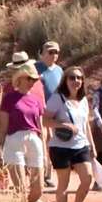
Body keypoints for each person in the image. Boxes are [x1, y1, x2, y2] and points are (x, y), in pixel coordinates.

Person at [45, 67, 98, 202]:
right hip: (60, 147)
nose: (76, 81)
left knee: (87, 178)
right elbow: (44, 119)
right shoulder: (57, 98)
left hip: (80, 145)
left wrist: (92, 145)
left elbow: (86, 125)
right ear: (65, 80)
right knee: (63, 183)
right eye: (72, 77)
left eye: (79, 78)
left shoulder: (83, 100)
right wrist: (62, 125)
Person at [0, 60, 45, 202]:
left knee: (39, 189)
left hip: (34, 139)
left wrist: (45, 151)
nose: (32, 82)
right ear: (20, 78)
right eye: (29, 78)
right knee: (21, 187)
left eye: (35, 79)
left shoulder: (37, 100)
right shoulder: (9, 99)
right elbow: (3, 126)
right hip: (14, 139)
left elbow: (41, 127)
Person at [36, 41, 64, 188]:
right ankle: (40, 174)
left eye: (56, 52)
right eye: (51, 52)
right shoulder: (35, 68)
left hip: (55, 112)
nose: (54, 55)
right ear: (42, 53)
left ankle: (48, 174)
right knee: (42, 142)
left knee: (52, 143)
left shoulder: (59, 70)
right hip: (39, 112)